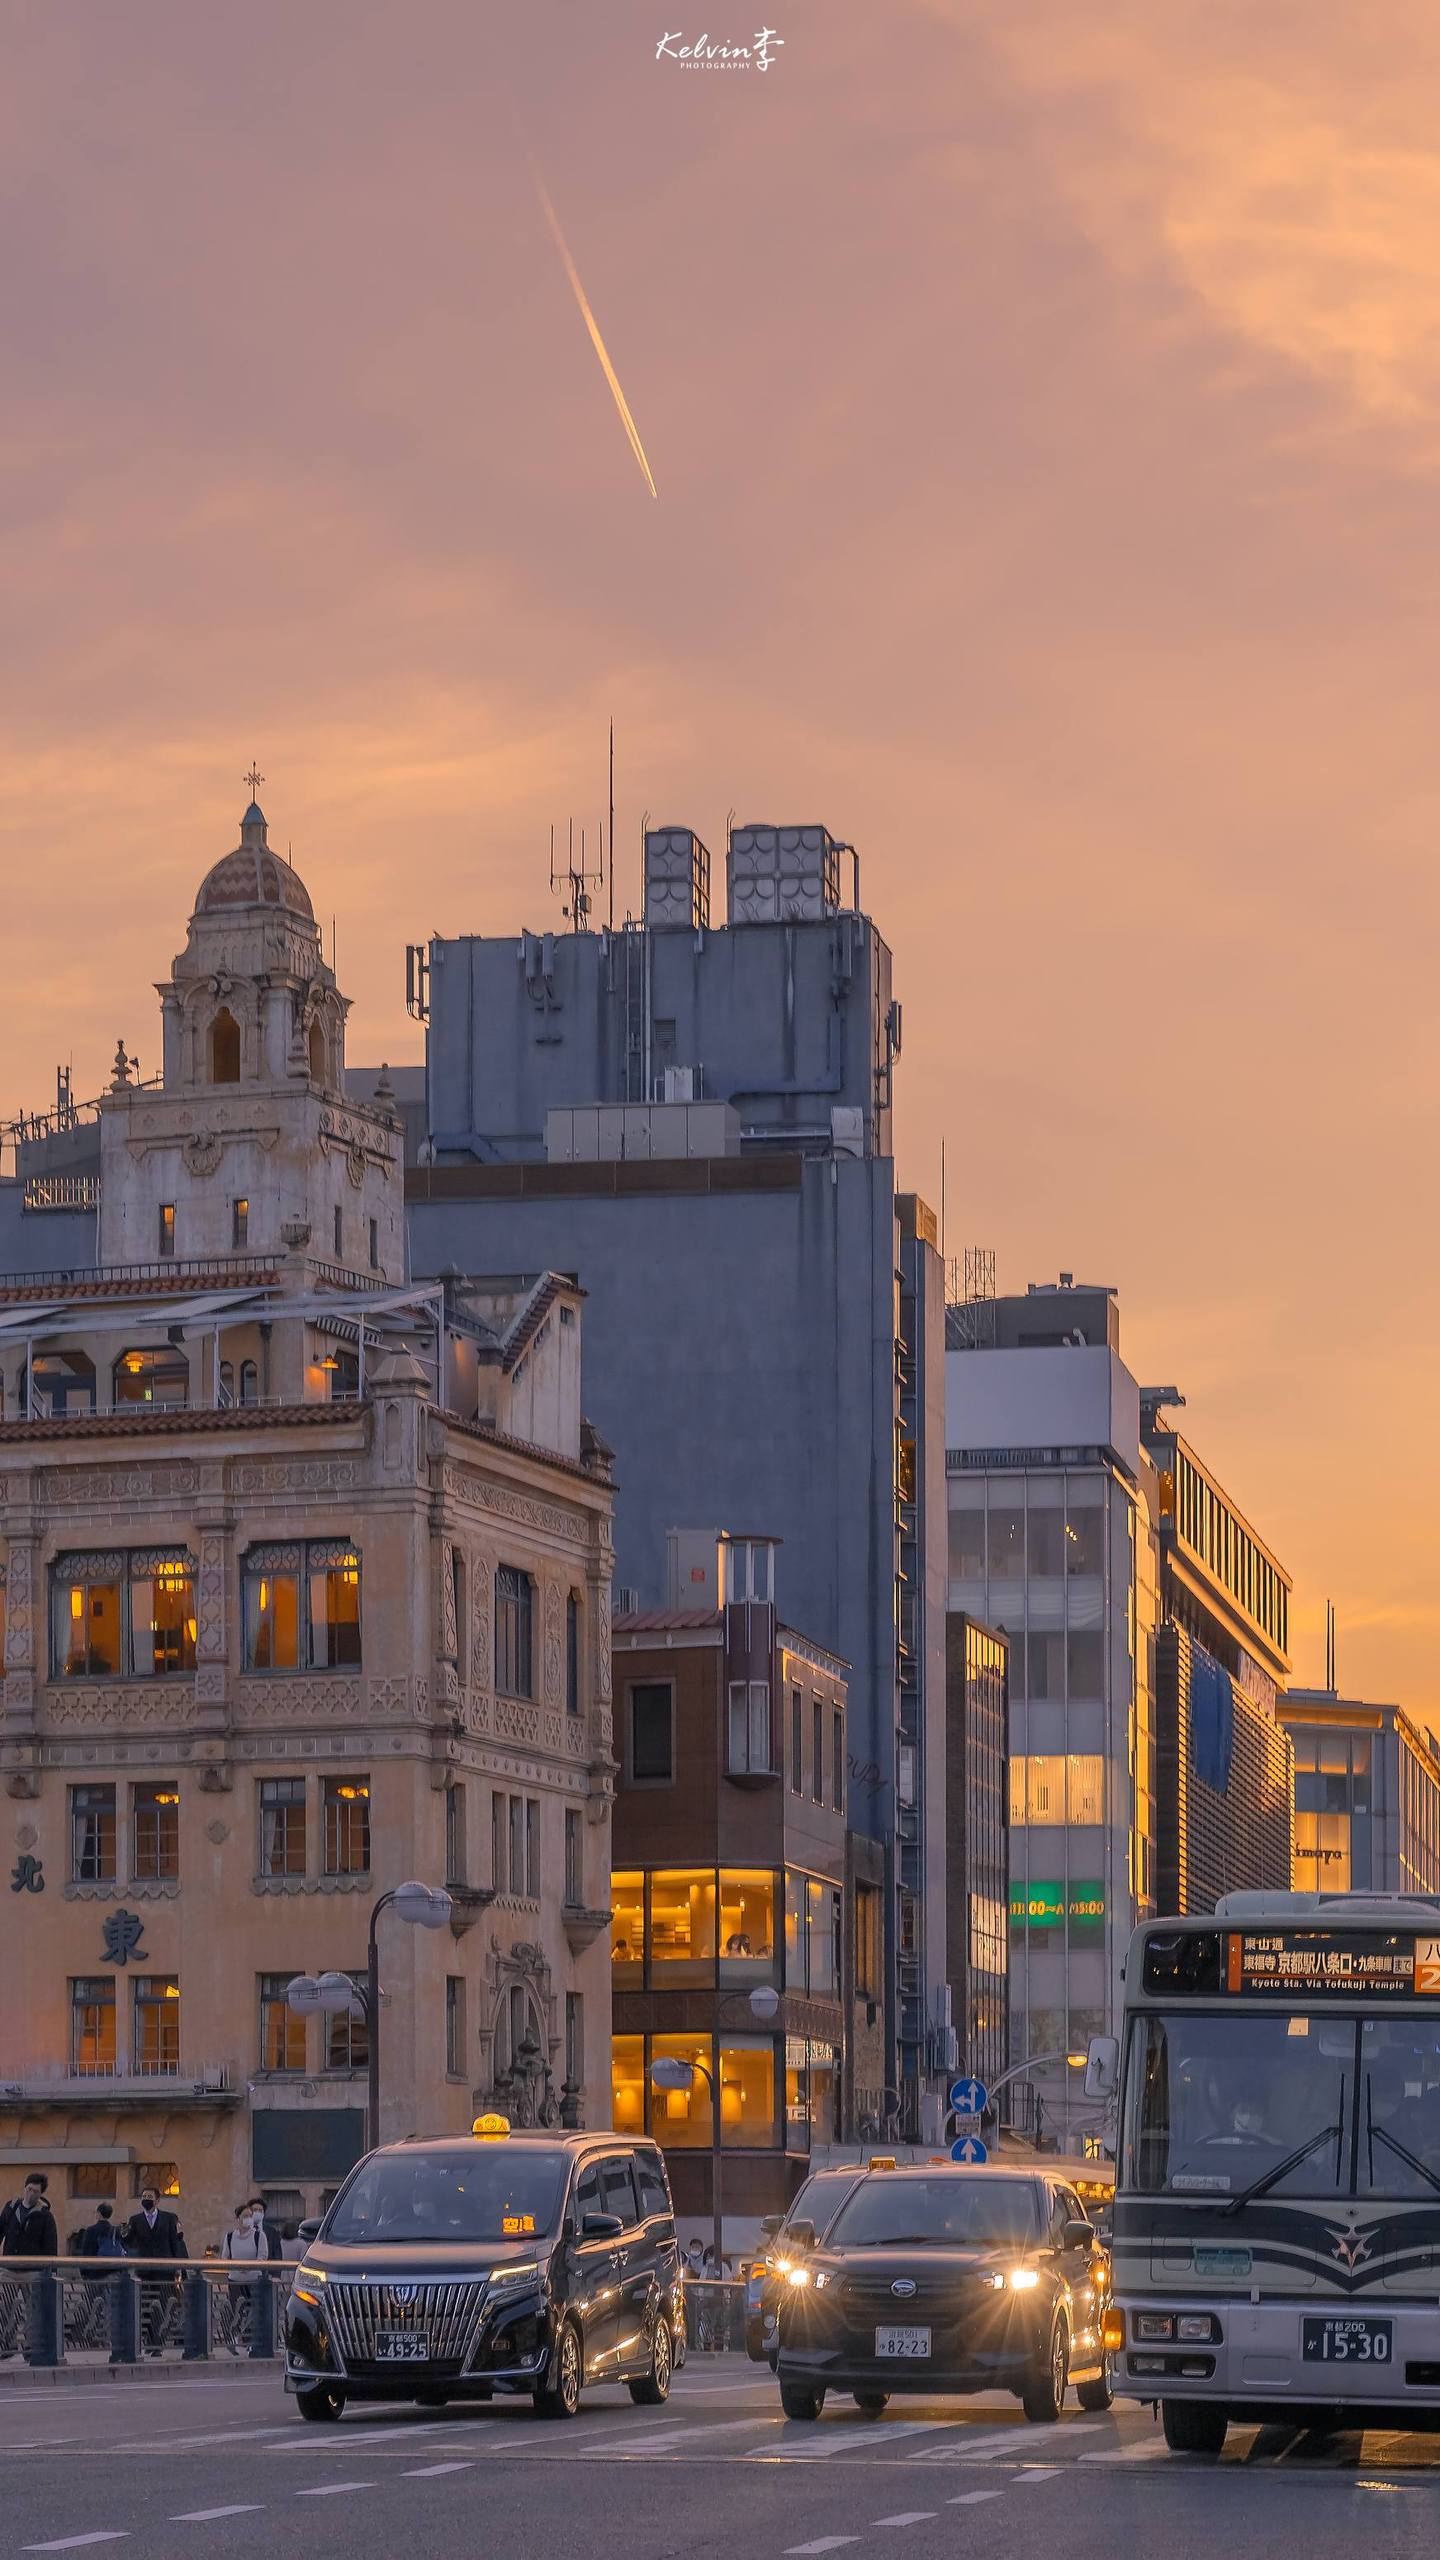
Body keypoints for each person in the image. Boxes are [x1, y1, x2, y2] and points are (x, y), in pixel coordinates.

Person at [122, 2185, 187, 2357]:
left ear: (157, 2200)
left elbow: (176, 2242)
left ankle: (158, 2342)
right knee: (147, 2307)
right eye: (144, 2196)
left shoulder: (169, 2218)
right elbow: (129, 2242)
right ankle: (150, 2342)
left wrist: (178, 2267)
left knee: (163, 2307)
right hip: (144, 2271)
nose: (146, 2199)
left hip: (164, 2270)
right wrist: (124, 2235)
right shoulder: (135, 2220)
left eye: (150, 2196)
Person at [0, 2175, 58, 2364]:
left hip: (33, 2270)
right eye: (29, 2189)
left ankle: (30, 2346)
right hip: (9, 2267)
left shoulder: (45, 2215)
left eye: (35, 2191)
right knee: (4, 2306)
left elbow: (51, 2246)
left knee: (33, 2310)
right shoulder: (11, 2208)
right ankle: (6, 2344)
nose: (31, 2193)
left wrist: (51, 2271)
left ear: (41, 2194)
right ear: (24, 2187)